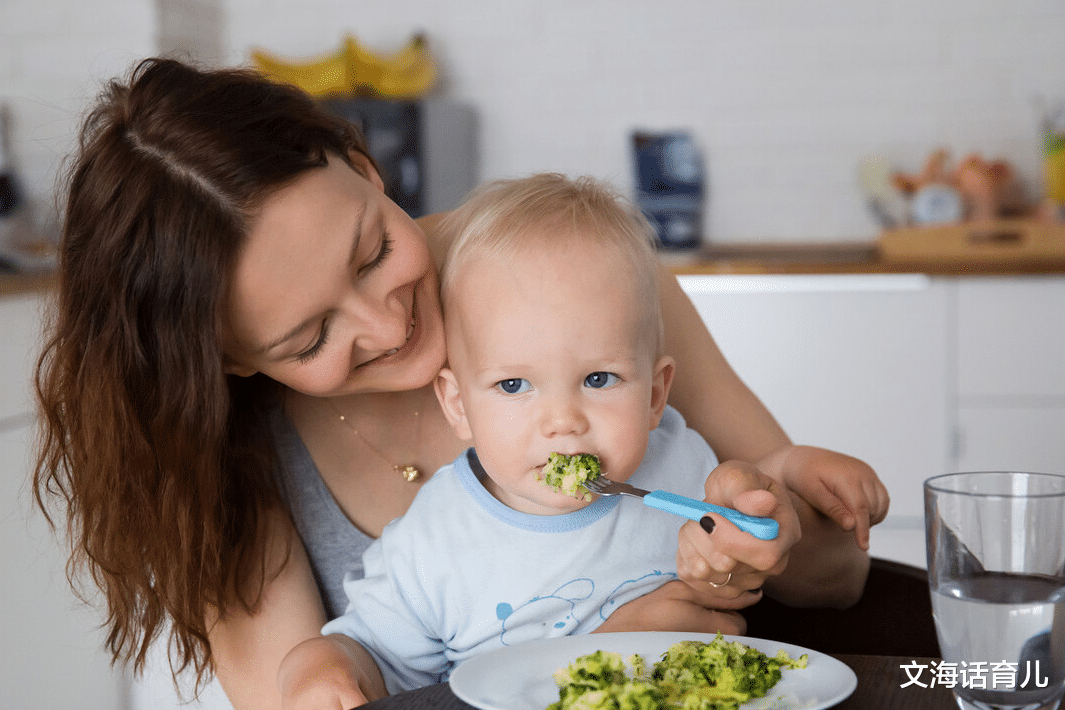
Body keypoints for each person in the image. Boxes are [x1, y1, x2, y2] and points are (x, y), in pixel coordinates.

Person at [32, 57, 888, 710]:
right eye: (311, 337)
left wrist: (762, 535)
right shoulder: (222, 453)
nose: (385, 326)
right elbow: (312, 685)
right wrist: (582, 668)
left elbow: (836, 580)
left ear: (364, 167)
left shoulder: (572, 277)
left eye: (372, 252)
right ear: (231, 361)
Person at [280, 173, 798, 701]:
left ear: (654, 394)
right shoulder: (432, 545)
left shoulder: (685, 471)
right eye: (513, 385)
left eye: (599, 379)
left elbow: (747, 577)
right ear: (458, 405)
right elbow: (372, 656)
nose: (563, 420)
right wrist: (325, 665)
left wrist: (744, 536)